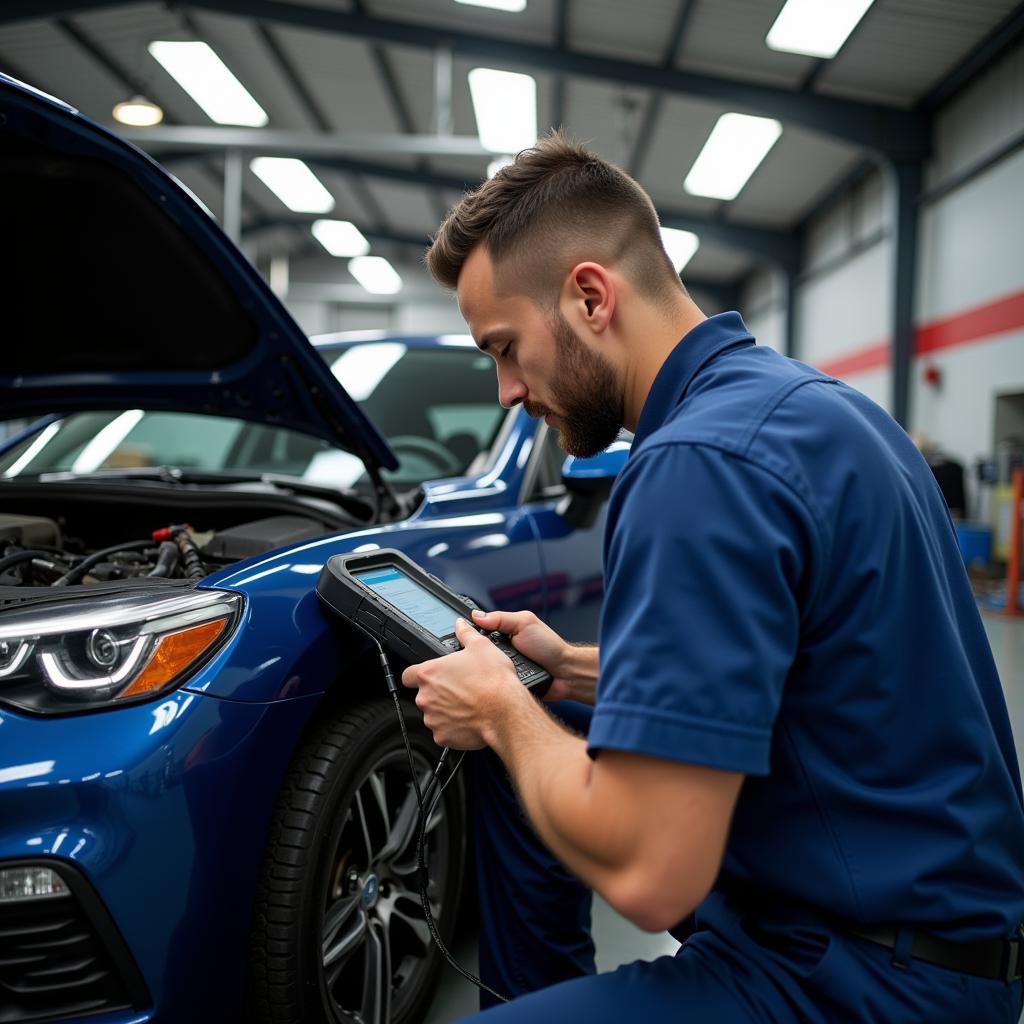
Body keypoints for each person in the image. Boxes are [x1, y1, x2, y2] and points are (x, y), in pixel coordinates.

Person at [401, 133, 1024, 1023]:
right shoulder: (818, 407)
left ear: (588, 297)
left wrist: (501, 712)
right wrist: (570, 668)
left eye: (504, 347)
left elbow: (655, 879)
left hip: (857, 983)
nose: (506, 390)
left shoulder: (698, 462)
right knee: (547, 717)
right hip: (941, 946)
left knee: (520, 734)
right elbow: (809, 670)